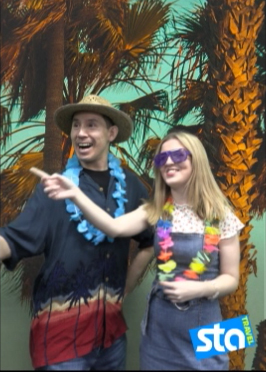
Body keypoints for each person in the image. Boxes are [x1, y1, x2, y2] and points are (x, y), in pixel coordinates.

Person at [30, 129, 245, 371]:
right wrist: (75, 194)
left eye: (178, 155)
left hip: (206, 326)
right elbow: (113, 226)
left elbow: (231, 280)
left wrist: (200, 288)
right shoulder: (155, 211)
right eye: (162, 159)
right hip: (159, 329)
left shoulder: (221, 215)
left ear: (196, 159)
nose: (169, 162)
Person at [0, 94, 154, 371]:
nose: (81, 133)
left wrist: (127, 286)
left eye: (92, 125)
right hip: (61, 340)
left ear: (111, 133)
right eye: (76, 125)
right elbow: (11, 241)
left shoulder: (132, 187)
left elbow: (150, 241)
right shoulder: (54, 189)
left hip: (111, 336)